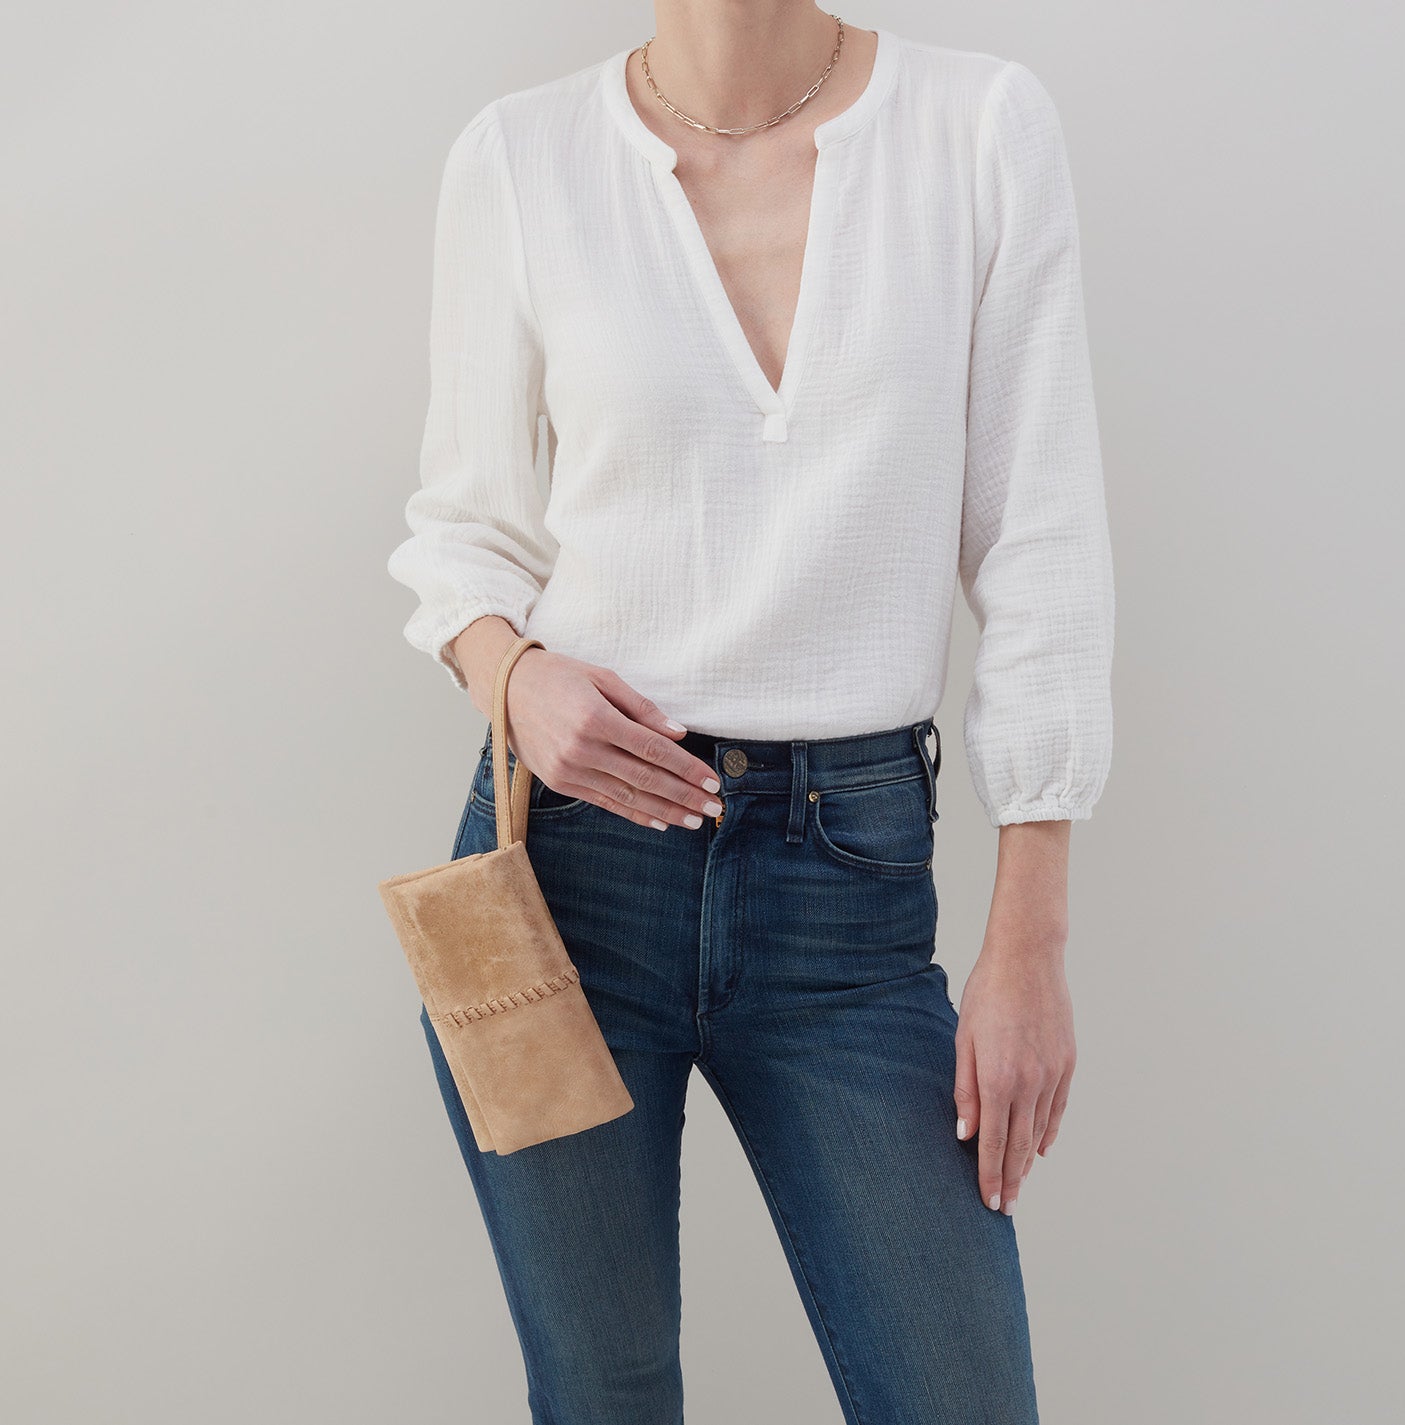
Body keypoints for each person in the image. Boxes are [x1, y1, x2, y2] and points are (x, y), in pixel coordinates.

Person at [387, 6, 1114, 1422]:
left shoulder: (975, 128)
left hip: (847, 890)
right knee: (603, 1391)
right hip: (567, 878)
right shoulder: (521, 157)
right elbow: (464, 530)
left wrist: (1029, 937)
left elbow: (1041, 542)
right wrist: (513, 674)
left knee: (956, 1396)